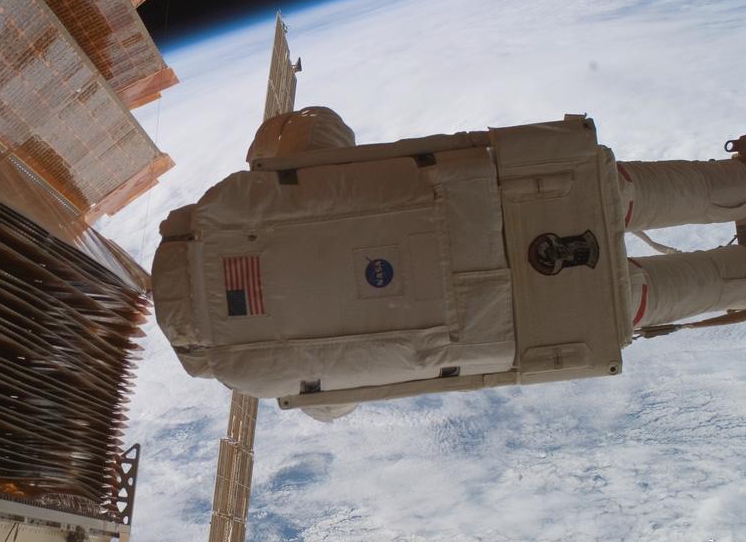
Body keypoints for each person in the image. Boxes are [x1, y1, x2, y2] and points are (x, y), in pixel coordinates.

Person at [152, 108, 746, 420]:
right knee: (623, 194)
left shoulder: (249, 373)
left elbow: (334, 401)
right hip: (508, 194)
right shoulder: (225, 207)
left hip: (524, 324)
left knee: (651, 293)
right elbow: (320, 128)